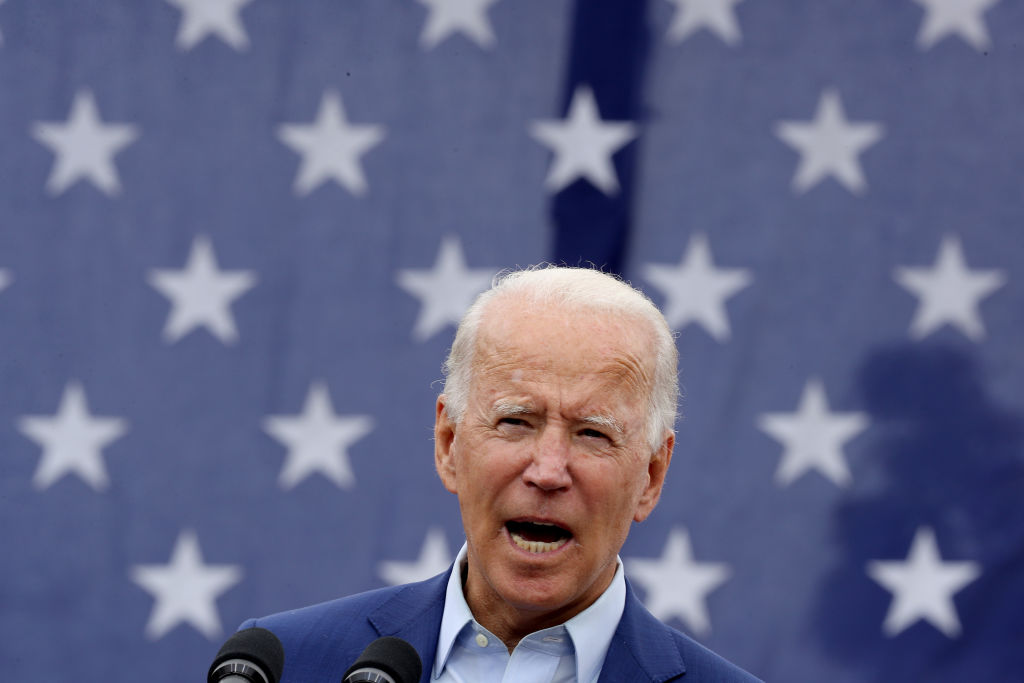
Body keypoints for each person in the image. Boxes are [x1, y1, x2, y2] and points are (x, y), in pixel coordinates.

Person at [241, 267, 761, 682]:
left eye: (592, 434)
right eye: (515, 422)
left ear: (650, 476)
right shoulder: (282, 666)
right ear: (449, 444)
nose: (549, 471)